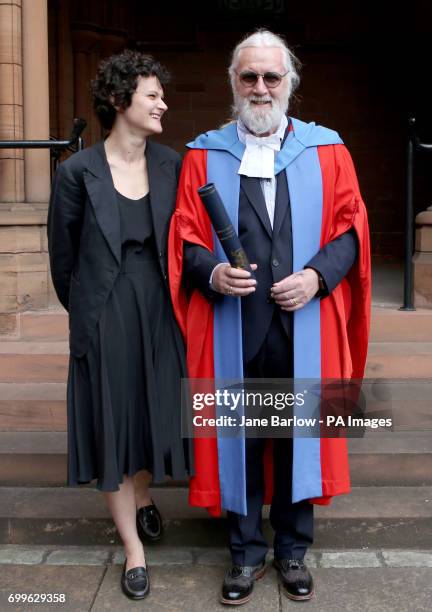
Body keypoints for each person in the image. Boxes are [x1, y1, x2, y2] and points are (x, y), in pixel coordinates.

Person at [168, 29, 371, 605]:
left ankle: (292, 550)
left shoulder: (328, 150)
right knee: (240, 435)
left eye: (271, 77)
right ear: (233, 82)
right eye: (249, 77)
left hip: (304, 324)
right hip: (233, 325)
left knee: (297, 434)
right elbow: (184, 233)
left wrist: (316, 277)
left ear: (290, 85)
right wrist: (211, 274)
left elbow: (350, 229)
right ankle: (244, 553)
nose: (260, 88)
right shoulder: (204, 152)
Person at [48, 50, 192, 601]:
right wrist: (89, 309)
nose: (162, 104)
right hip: (104, 311)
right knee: (112, 421)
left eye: (161, 94)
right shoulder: (76, 172)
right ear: (118, 100)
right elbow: (63, 261)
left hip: (159, 309)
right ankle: (132, 548)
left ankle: (143, 495)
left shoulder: (172, 165)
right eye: (152, 95)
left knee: (151, 415)